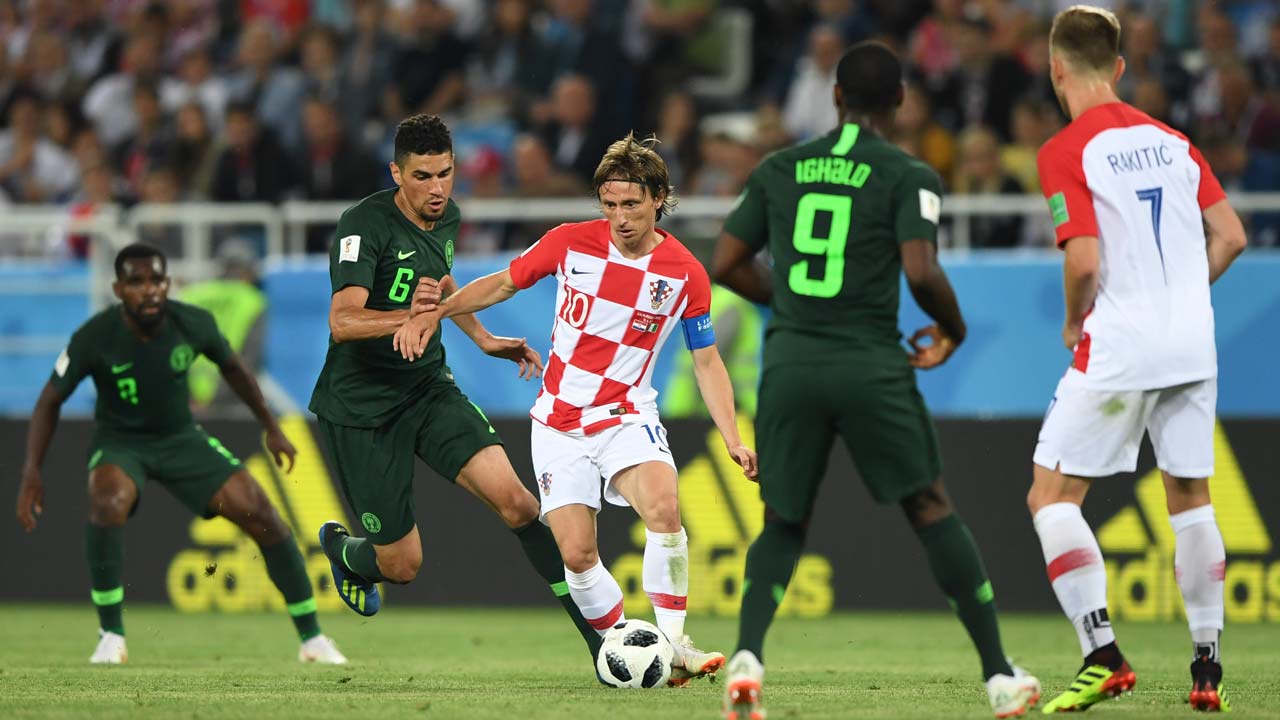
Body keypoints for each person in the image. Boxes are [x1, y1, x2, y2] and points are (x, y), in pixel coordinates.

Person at [711, 41, 1041, 719]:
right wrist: (955, 330)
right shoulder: (907, 174)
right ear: (899, 103)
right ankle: (999, 675)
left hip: (793, 362)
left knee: (783, 521)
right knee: (929, 507)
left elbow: (725, 260)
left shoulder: (780, 167)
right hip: (869, 362)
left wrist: (791, 304)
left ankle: (747, 656)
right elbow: (921, 272)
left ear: (834, 96)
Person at [401, 133, 758, 686]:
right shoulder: (568, 242)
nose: (620, 217)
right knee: (577, 554)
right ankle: (623, 647)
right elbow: (501, 284)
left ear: (659, 198)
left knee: (665, 509)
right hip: (561, 423)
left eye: (632, 205)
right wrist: (440, 313)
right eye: (611, 205)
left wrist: (733, 436)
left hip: (628, 415)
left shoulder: (686, 274)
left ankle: (673, 643)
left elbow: (707, 362)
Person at [307, 114, 601, 662]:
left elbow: (439, 281)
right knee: (402, 565)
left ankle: (600, 645)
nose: (437, 188)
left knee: (518, 504)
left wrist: (483, 337)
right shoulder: (361, 226)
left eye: (444, 174)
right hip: (362, 409)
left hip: (426, 388)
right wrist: (409, 321)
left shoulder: (447, 217)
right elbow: (342, 322)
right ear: (397, 173)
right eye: (422, 176)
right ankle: (344, 551)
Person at [1027, 6, 1248, 713]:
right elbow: (1233, 235)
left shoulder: (1066, 148)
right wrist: (1179, 292)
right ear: (1119, 68)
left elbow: (1085, 260)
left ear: (1057, 70)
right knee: (1190, 496)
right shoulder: (1175, 141)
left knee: (1051, 497)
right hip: (1192, 341)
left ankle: (1103, 654)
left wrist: (1071, 320)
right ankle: (1207, 667)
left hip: (1122, 343)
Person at [15, 243, 346, 666]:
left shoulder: (192, 322)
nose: (149, 290)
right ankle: (111, 635)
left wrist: (272, 428)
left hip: (180, 438)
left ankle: (312, 638)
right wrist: (31, 471)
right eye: (137, 282)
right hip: (121, 443)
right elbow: (48, 401)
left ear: (168, 284)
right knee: (107, 499)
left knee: (262, 512)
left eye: (157, 280)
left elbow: (236, 371)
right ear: (118, 289)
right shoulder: (94, 336)